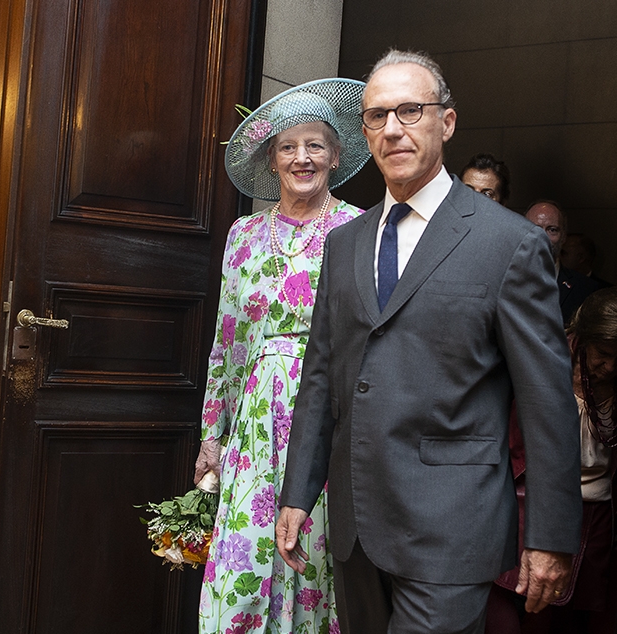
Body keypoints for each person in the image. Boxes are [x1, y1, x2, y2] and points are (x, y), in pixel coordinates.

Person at [275, 48, 583, 634]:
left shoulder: (509, 245)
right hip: (357, 525)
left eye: (410, 111)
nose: (392, 129)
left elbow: (546, 401)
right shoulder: (344, 245)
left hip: (451, 528)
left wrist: (551, 536)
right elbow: (321, 375)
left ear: (446, 122)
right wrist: (298, 492)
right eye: (376, 115)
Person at [195, 78, 370, 634]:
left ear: (336, 155)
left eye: (315, 145)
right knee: (244, 553)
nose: (303, 158)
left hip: (328, 416)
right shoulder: (243, 234)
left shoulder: (360, 229)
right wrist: (212, 435)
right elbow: (226, 341)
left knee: (314, 551)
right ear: (271, 160)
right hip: (253, 423)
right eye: (289, 147)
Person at [487, 285, 617, 634]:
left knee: (561, 622)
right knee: (505, 613)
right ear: (584, 336)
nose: (611, 366)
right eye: (603, 353)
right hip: (528, 504)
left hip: (596, 515)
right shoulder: (543, 361)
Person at [525, 200, 603, 325]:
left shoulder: (587, 290)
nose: (542, 237)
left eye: (552, 230)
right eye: (534, 229)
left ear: (563, 237)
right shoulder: (502, 281)